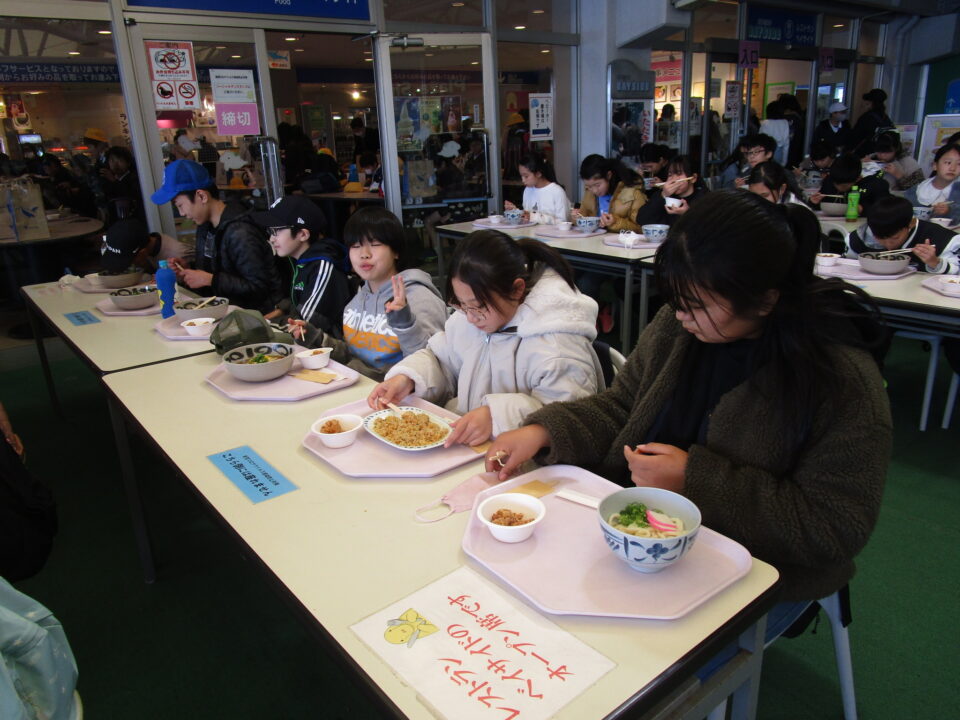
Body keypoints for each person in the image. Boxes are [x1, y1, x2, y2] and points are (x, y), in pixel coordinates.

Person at [485, 190, 891, 605]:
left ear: (766, 299)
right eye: (676, 301)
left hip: (749, 570)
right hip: (638, 541)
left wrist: (693, 480)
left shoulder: (839, 380)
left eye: (695, 305)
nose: (680, 315)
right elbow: (623, 406)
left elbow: (833, 526)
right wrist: (545, 430)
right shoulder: (681, 325)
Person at [367, 231, 604, 448]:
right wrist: (408, 378)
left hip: (529, 466)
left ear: (517, 290)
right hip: (472, 448)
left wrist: (495, 416)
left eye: (478, 306)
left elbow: (568, 421)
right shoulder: (469, 319)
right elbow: (443, 360)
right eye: (462, 304)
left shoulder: (557, 347)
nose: (470, 317)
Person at [282, 206, 447, 380]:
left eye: (375, 244)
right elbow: (354, 357)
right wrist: (315, 338)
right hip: (358, 387)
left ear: (396, 251)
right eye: (356, 246)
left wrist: (405, 324)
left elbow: (432, 367)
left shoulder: (418, 297)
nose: (364, 254)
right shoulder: (356, 301)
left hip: (398, 393)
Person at [150, 159, 282, 313]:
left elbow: (260, 287)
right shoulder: (206, 226)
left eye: (180, 205)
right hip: (221, 312)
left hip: (252, 317)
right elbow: (220, 269)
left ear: (201, 196)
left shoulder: (241, 232)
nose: (182, 213)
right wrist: (188, 269)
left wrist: (210, 280)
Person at [252, 195, 351, 345]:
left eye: (276, 231)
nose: (271, 239)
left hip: (325, 348)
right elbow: (297, 300)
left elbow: (303, 324)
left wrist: (263, 324)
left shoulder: (323, 266)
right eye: (270, 231)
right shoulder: (299, 259)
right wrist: (279, 310)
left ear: (303, 234)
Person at [847, 196, 959, 275]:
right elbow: (848, 266)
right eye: (879, 238)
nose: (889, 245)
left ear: (911, 223)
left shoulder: (945, 240)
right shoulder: (861, 236)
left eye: (895, 238)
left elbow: (956, 274)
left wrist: (935, 262)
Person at [573, 154, 647, 232]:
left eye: (597, 185)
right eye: (589, 186)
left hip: (621, 239)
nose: (594, 191)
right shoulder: (589, 193)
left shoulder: (633, 193)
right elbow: (584, 216)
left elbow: (642, 229)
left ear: (608, 175)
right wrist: (577, 218)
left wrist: (615, 222)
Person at [99, 217, 194, 274]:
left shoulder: (179, 255)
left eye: (131, 262)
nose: (132, 265)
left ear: (142, 252)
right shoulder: (151, 244)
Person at [635, 154, 707, 227]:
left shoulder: (705, 199)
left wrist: (687, 214)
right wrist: (663, 195)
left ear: (693, 178)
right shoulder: (662, 195)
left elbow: (708, 228)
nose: (673, 179)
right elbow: (641, 220)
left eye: (679, 173)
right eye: (670, 175)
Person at [504, 152, 571, 224]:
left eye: (526, 176)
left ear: (538, 174)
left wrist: (532, 216)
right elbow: (527, 217)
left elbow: (563, 222)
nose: (523, 180)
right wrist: (515, 211)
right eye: (521, 176)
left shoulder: (557, 191)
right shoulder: (528, 190)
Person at [809, 154, 890, 213]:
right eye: (836, 184)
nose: (839, 188)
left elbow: (885, 211)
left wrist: (862, 209)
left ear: (858, 178)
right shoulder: (829, 180)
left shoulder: (875, 185)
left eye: (844, 185)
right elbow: (823, 204)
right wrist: (814, 203)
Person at [905, 143, 960, 225]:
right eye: (948, 162)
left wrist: (949, 211)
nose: (953, 168)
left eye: (959, 164)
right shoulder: (916, 191)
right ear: (935, 165)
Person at [101, 145, 143, 224]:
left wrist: (114, 181)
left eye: (120, 161)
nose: (115, 164)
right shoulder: (108, 179)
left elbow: (130, 195)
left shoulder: (134, 178)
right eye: (112, 160)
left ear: (128, 163)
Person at [849, 88, 894, 157]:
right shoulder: (886, 118)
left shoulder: (866, 118)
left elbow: (855, 137)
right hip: (882, 154)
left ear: (871, 103)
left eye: (867, 102)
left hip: (865, 155)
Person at [759, 101, 790, 166]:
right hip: (779, 151)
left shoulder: (765, 123)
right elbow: (786, 143)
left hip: (766, 151)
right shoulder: (785, 122)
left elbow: (760, 140)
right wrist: (784, 162)